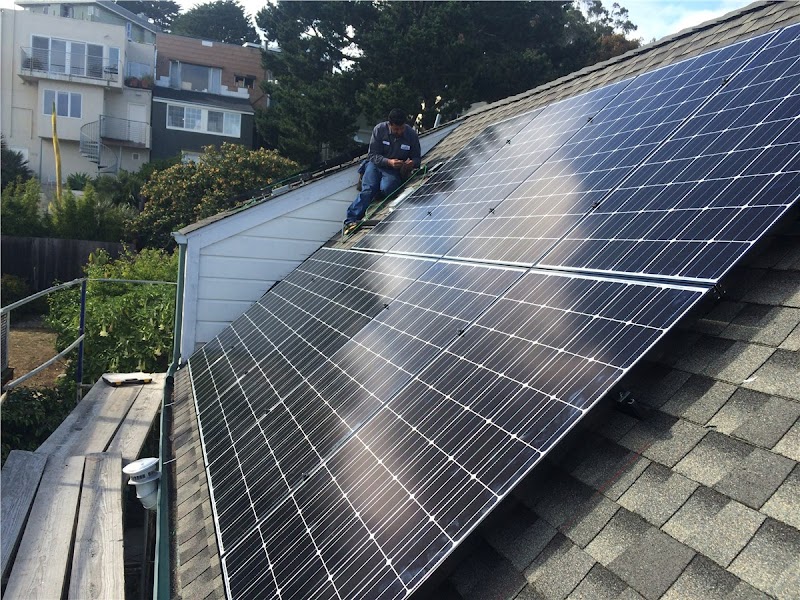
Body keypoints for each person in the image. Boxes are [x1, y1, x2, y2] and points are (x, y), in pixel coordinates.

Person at [343, 108, 421, 234]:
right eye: (396, 129)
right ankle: (350, 220)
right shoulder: (379, 130)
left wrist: (412, 163)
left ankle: (378, 192)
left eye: (402, 128)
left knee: (389, 188)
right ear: (389, 125)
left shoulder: (411, 135)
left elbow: (417, 158)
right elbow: (372, 155)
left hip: (393, 170)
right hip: (376, 165)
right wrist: (389, 161)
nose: (399, 132)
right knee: (368, 190)